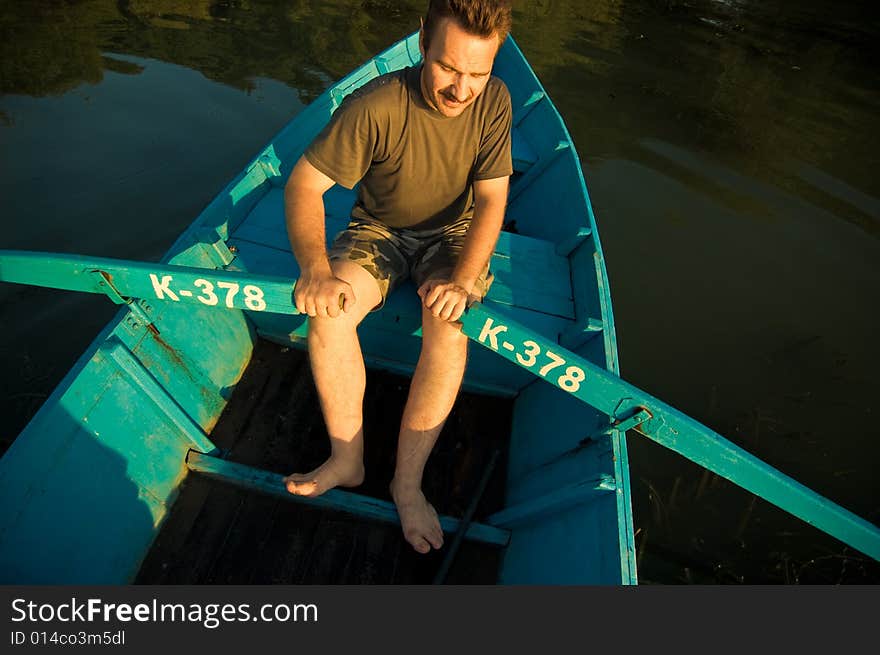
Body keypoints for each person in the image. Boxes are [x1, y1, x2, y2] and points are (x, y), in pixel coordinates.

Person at [283, 0, 513, 555]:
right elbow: (303, 186)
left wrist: (462, 279)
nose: (461, 90)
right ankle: (347, 458)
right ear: (422, 43)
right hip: (379, 230)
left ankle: (407, 485)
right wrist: (315, 270)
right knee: (329, 316)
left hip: (452, 237)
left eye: (477, 73)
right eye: (448, 68)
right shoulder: (378, 104)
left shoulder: (496, 102)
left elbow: (490, 201)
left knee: (450, 329)